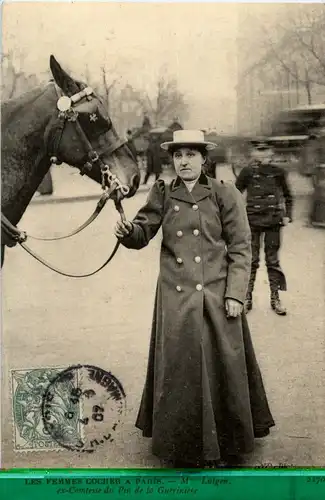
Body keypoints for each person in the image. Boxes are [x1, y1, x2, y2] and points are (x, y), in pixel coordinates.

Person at [114, 130, 275, 468]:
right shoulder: (163, 193)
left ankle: (226, 443)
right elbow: (143, 232)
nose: (183, 161)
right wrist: (128, 232)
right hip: (176, 298)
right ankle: (181, 444)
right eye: (178, 155)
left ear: (204, 159)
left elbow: (241, 247)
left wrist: (235, 293)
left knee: (223, 365)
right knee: (180, 368)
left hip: (217, 294)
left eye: (190, 154)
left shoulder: (223, 193)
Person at [235, 139, 293, 316]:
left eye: (266, 150)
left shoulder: (278, 172)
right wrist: (236, 217)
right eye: (259, 150)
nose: (263, 154)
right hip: (252, 220)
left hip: (273, 220)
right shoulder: (247, 172)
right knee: (251, 260)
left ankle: (275, 298)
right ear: (254, 153)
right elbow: (235, 194)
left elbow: (288, 195)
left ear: (271, 153)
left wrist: (287, 215)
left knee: (273, 261)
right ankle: (246, 298)